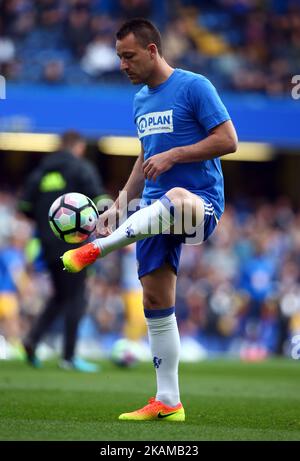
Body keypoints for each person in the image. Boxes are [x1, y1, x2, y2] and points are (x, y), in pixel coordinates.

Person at [62, 19, 238, 418]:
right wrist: (120, 203)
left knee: (177, 196)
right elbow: (145, 157)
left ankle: (98, 249)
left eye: (128, 56)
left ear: (153, 50)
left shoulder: (195, 86)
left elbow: (229, 140)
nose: (122, 65)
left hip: (198, 204)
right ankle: (168, 402)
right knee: (156, 302)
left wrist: (176, 155)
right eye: (119, 57)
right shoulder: (141, 99)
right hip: (150, 211)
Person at [19, 130, 106, 372]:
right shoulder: (81, 168)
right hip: (76, 245)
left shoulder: (40, 172)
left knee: (59, 296)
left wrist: (45, 219)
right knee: (77, 297)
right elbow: (99, 199)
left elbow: (24, 207)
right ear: (78, 147)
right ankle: (68, 356)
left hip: (46, 244)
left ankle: (31, 340)